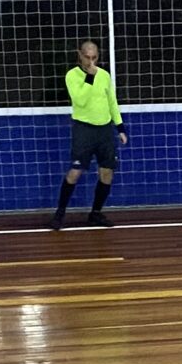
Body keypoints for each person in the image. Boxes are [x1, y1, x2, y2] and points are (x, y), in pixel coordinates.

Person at [51, 39, 125, 228]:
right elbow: (80, 100)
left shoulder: (105, 75)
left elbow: (112, 102)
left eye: (94, 58)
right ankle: (59, 214)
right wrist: (90, 78)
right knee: (75, 172)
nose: (91, 62)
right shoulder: (72, 75)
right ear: (80, 55)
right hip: (84, 130)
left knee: (107, 172)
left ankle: (96, 213)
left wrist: (120, 127)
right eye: (87, 57)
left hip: (104, 130)